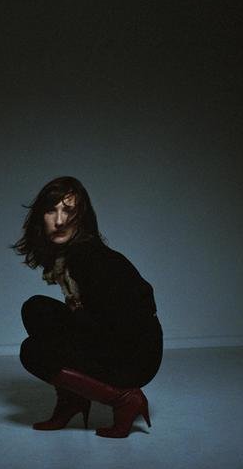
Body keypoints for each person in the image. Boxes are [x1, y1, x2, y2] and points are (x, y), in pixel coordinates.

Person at [10, 176, 163, 438]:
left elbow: (127, 323)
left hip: (134, 356)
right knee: (36, 309)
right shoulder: (68, 257)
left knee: (34, 352)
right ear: (40, 217)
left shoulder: (91, 258)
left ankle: (124, 399)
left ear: (81, 217)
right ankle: (73, 400)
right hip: (110, 339)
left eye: (68, 211)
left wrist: (72, 328)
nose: (59, 221)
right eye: (51, 210)